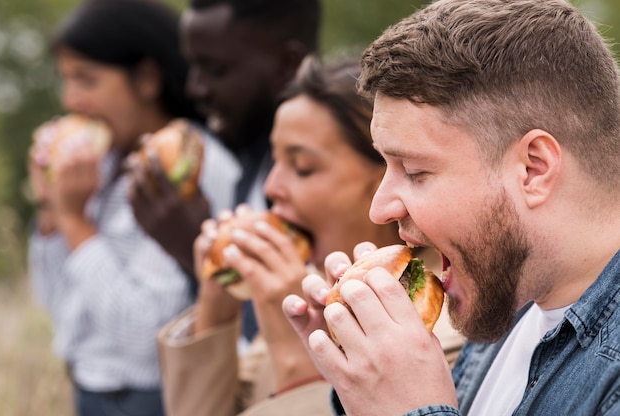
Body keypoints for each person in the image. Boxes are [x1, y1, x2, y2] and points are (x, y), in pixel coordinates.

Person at [282, 0, 620, 415]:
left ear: (533, 168)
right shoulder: (507, 286)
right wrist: (364, 383)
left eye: (415, 171)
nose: (380, 208)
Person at [157, 57, 464, 416]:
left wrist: (297, 362)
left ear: (387, 175)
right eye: (274, 161)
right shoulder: (314, 291)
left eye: (302, 167)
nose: (272, 187)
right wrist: (216, 310)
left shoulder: (441, 327)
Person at [27, 0, 203, 414]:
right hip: (90, 390)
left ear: (146, 79)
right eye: (66, 80)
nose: (71, 99)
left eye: (86, 80)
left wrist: (75, 221)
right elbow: (54, 302)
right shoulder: (101, 167)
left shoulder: (186, 164)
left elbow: (145, 337)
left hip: (149, 398)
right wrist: (52, 211)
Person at [129, 0, 321, 346]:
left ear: (286, 63)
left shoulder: (325, 183)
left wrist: (194, 251)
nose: (194, 88)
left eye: (215, 70)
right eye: (193, 68)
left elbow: (289, 338)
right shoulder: (247, 160)